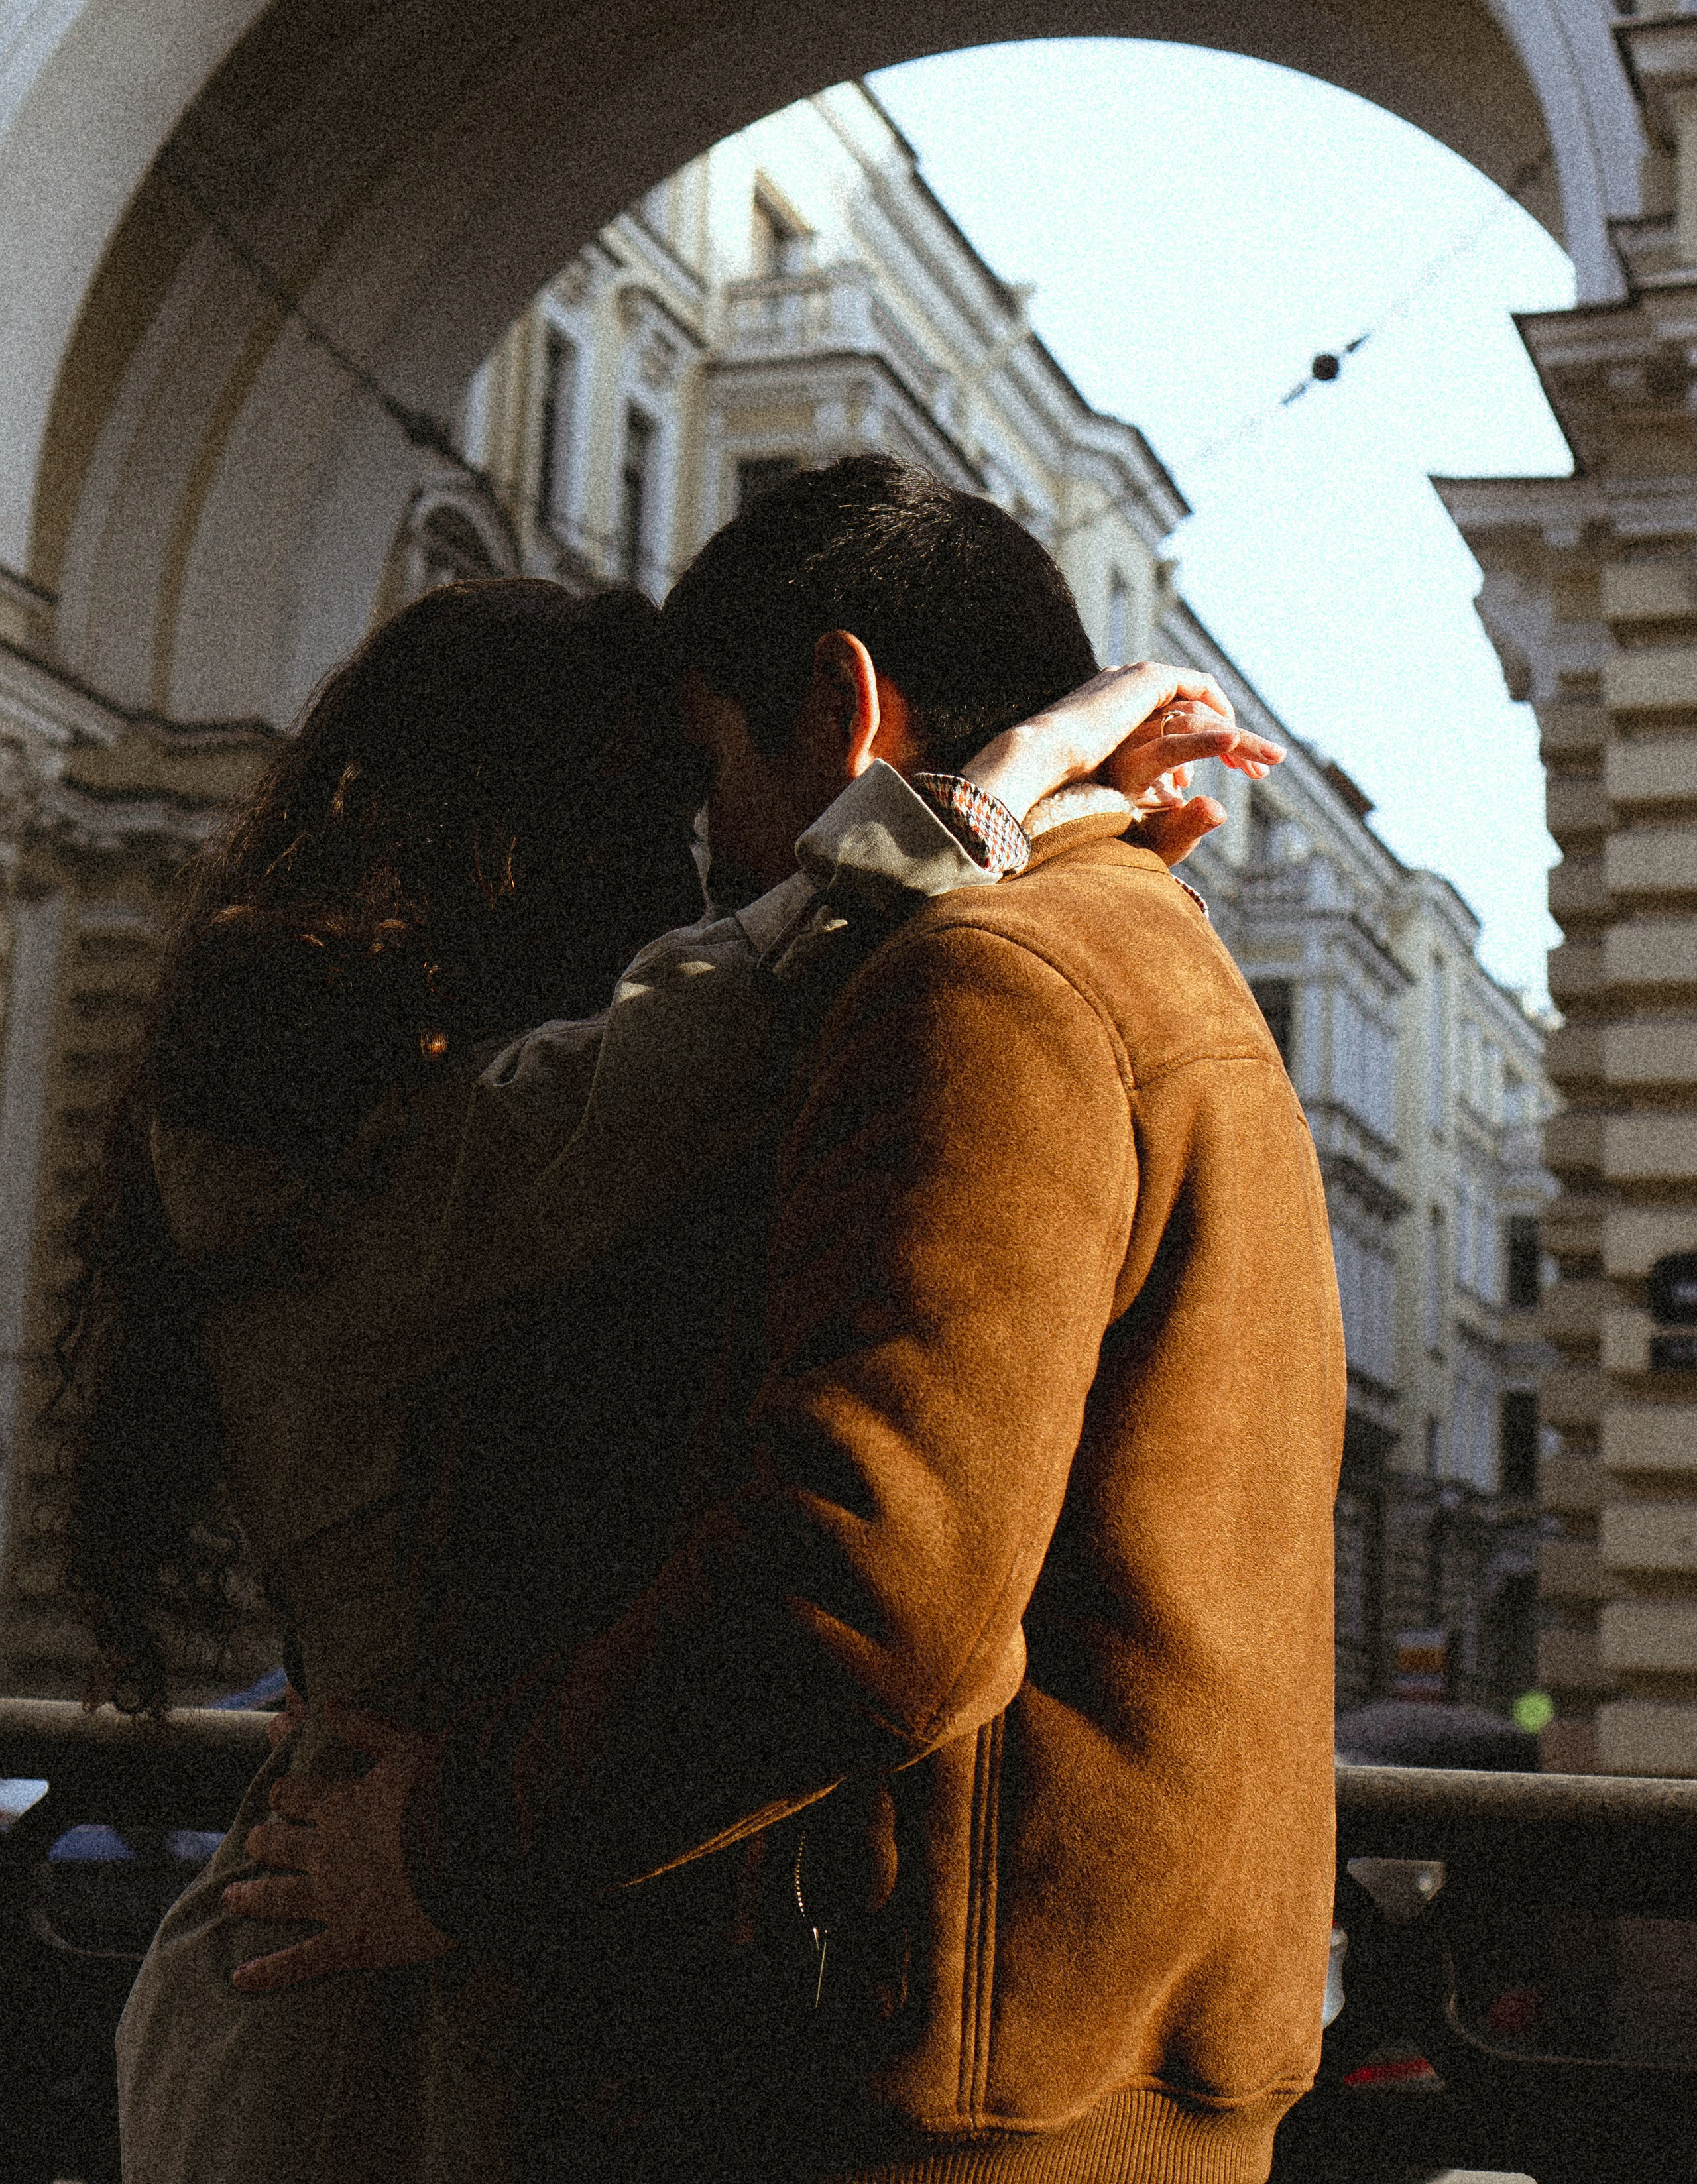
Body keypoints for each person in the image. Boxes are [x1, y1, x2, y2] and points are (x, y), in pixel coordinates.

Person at [65, 562, 1270, 2184]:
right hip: (370, 2000)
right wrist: (973, 816)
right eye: (671, 788)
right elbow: (593, 1116)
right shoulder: (316, 1086)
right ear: (546, 810)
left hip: (466, 1957)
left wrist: (1065, 891)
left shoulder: (552, 1099)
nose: (705, 843)